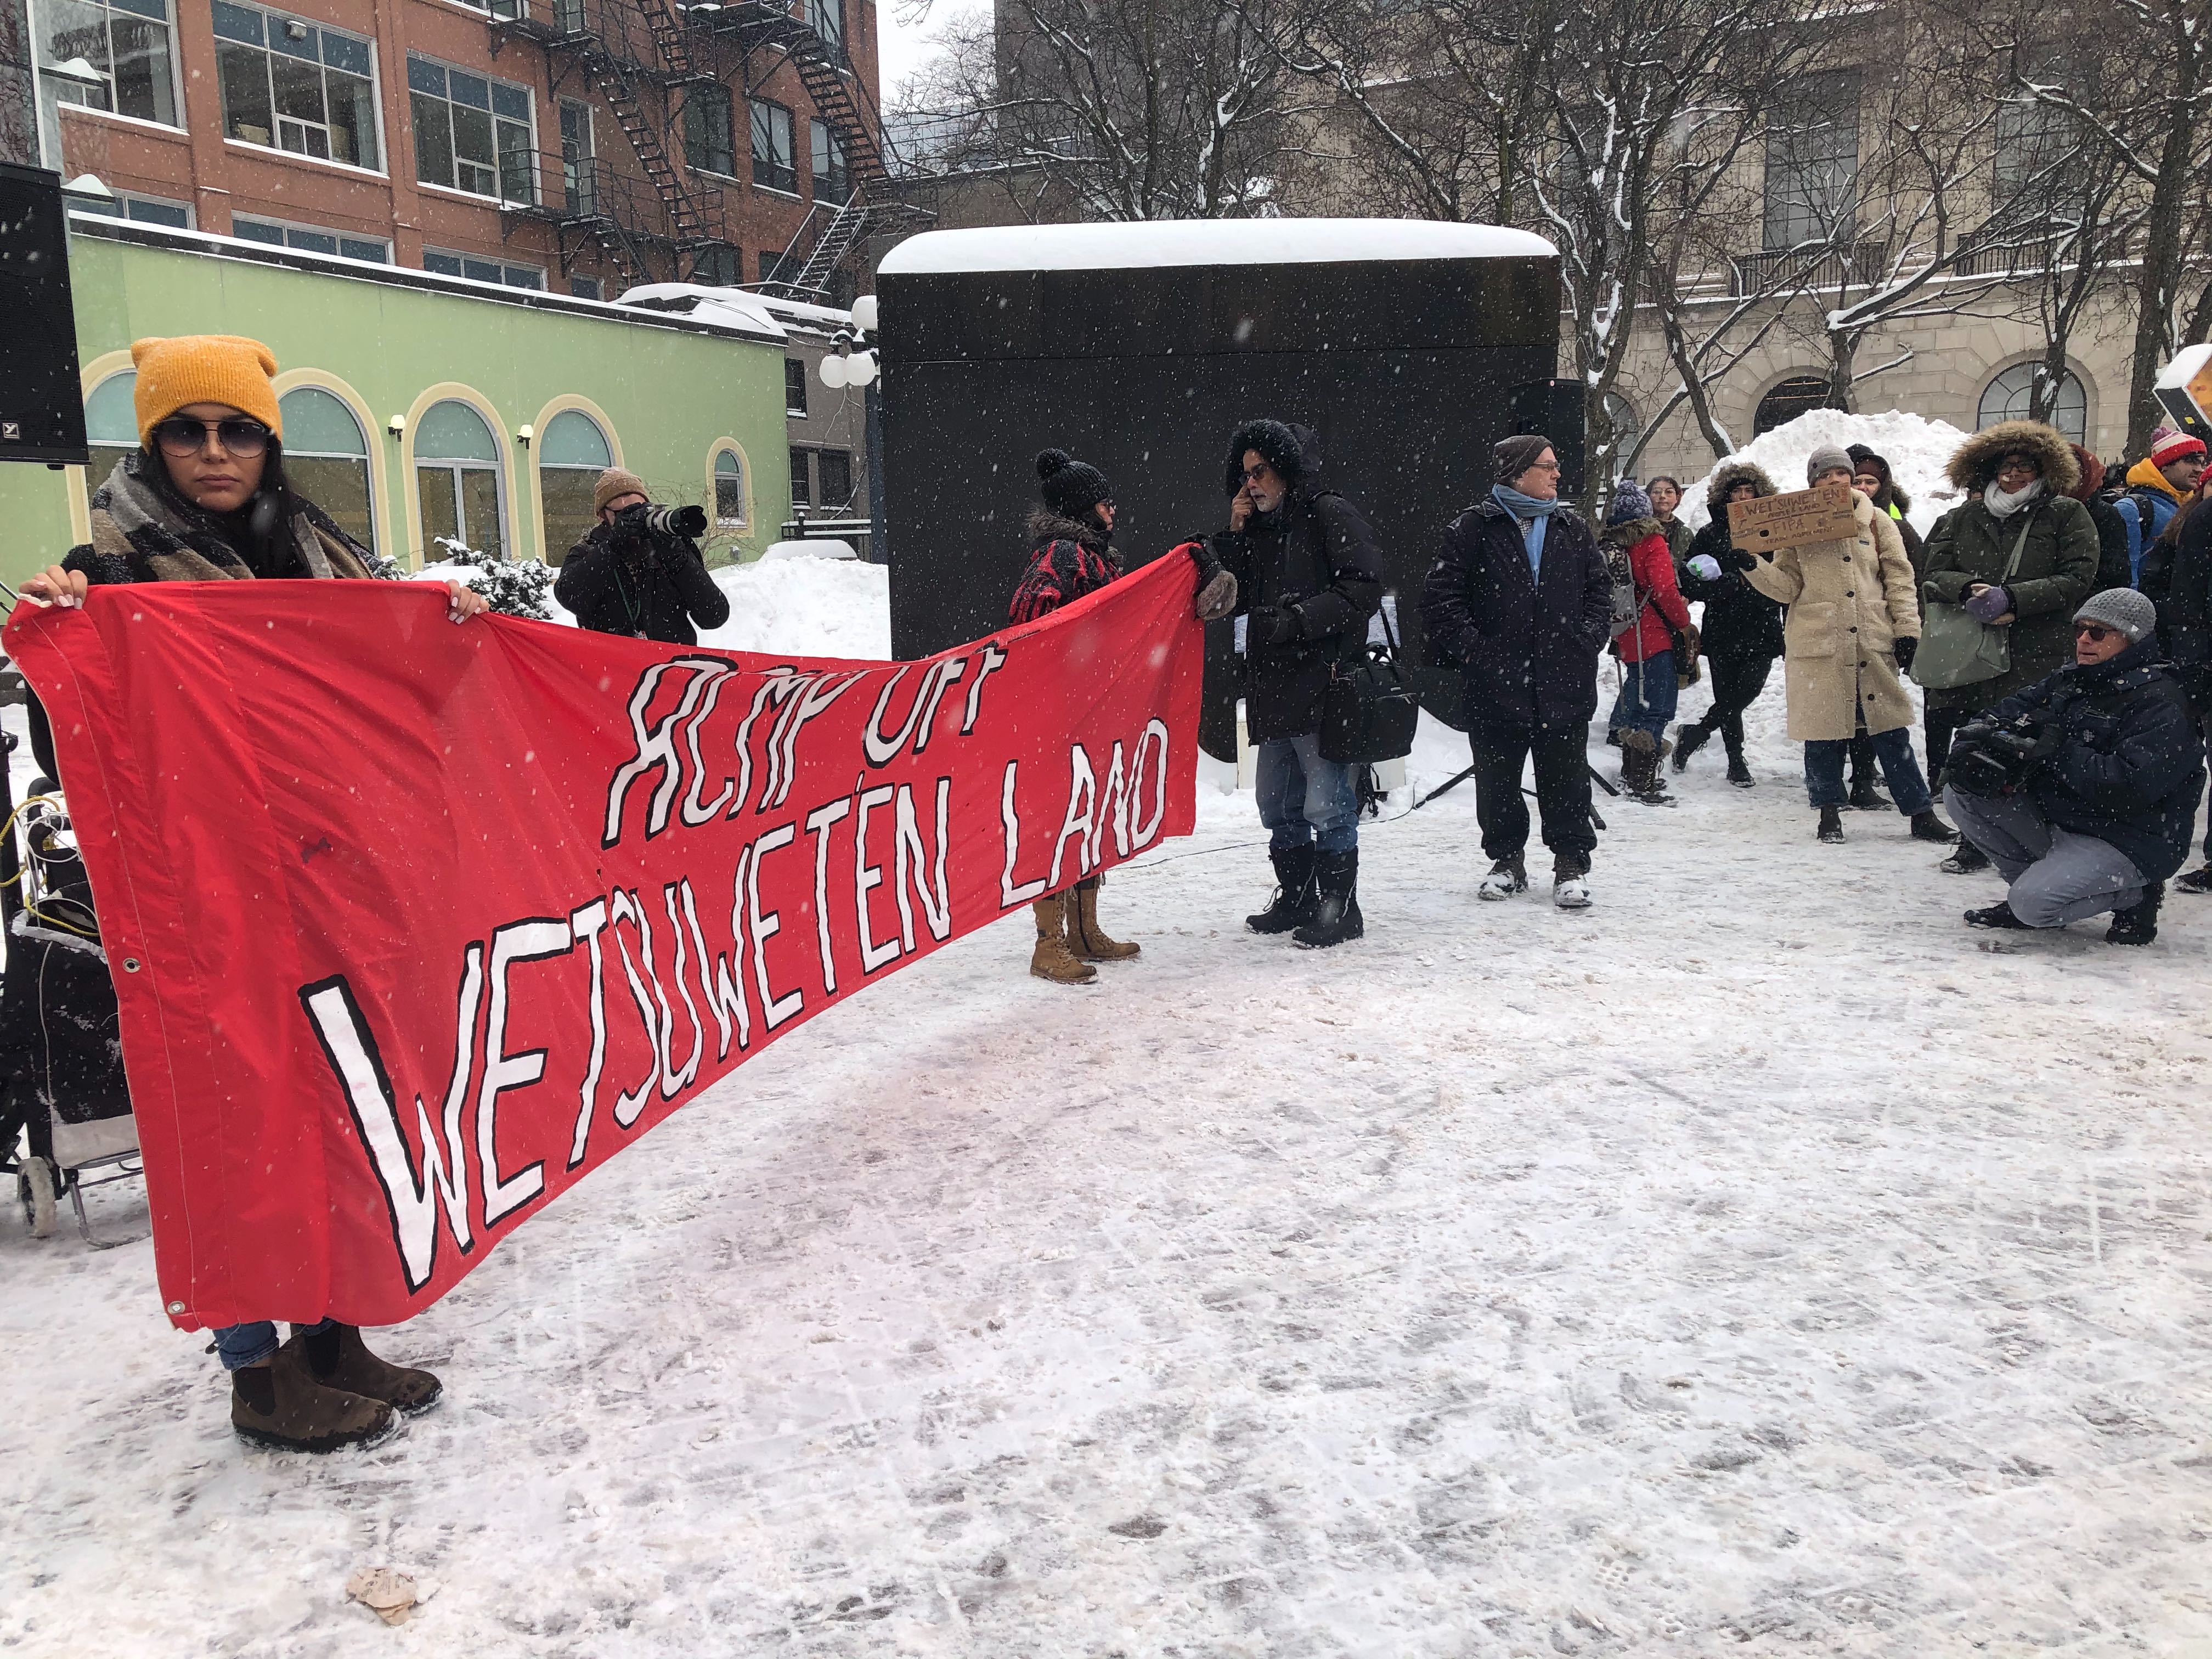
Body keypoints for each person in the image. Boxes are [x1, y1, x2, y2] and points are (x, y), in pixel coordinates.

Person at [14, 334, 489, 1454]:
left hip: (331, 886)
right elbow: (61, 738)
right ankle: (259, 1374)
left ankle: (333, 1337)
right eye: (188, 429)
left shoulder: (321, 555)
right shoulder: (115, 571)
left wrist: (453, 633)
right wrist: (67, 643)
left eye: (238, 430)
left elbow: (387, 696)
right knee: (233, 1127)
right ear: (156, 441)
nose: (214, 452)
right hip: (206, 904)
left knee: (335, 1107)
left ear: (268, 445)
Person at [1010, 447, 1237, 981]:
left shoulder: (1087, 556)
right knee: (1060, 826)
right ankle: (1049, 945)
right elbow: (1031, 625)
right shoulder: (1063, 556)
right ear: (1081, 508)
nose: (1113, 512)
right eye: (1104, 504)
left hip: (1084, 715)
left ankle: (1085, 933)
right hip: (1060, 717)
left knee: (1085, 819)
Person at [1946, 589, 2204, 945]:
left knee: (2032, 905)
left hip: (2130, 837)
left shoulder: (2161, 702)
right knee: (1964, 791)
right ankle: (2039, 891)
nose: (2084, 639)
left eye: (2098, 632)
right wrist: (1980, 739)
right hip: (2067, 817)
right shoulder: (2073, 678)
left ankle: (2135, 895)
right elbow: (2005, 712)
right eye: (2080, 629)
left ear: (2131, 639)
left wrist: (2055, 752)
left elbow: (2130, 787)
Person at [1210, 420, 1381, 947]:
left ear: (1283, 467)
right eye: (1244, 475)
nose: (1251, 484)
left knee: (1328, 804)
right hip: (1272, 686)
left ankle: (1339, 906)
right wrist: (1234, 534)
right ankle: (1298, 897)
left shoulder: (1328, 511)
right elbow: (1229, 594)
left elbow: (1363, 587)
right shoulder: (1258, 526)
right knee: (1277, 805)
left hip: (1323, 683)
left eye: (1259, 472)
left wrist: (1299, 620)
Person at [1421, 435, 1611, 909]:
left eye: (1556, 465)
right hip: (1494, 686)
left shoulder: (1572, 527)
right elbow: (1442, 600)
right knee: (1498, 780)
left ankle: (1571, 862)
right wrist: (1479, 654)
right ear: (1517, 473)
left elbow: (1600, 592)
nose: (1557, 474)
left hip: (1562, 681)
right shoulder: (1472, 527)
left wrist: (1584, 641)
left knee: (1566, 777)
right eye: (1547, 466)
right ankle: (1507, 860)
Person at [1744, 444, 1954, 846]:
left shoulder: (1876, 521)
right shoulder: (1796, 527)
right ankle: (1828, 813)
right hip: (1820, 644)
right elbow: (1787, 587)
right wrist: (1752, 565)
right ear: (1813, 483)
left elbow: (1899, 579)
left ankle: (1920, 813)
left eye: (1841, 474)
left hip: (1870, 639)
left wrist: (1908, 631)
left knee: (1891, 731)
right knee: (1823, 733)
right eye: (1825, 476)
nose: (1835, 482)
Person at [1918, 421, 2101, 872]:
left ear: (2043, 469)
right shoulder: (1961, 518)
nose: (2013, 474)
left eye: (2024, 465)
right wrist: (1966, 591)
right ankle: (1974, 839)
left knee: (2030, 747)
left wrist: (2017, 600)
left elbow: (2079, 576)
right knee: (1976, 743)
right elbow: (1932, 571)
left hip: (2036, 651)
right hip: (1973, 651)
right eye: (2005, 466)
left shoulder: (2065, 514)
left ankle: (2037, 841)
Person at [1674, 464, 1786, 788]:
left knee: (1746, 692)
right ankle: (1736, 761)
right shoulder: (1710, 534)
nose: (1742, 497)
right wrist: (1716, 588)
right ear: (1725, 496)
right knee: (1727, 695)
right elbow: (1689, 578)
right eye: (1736, 491)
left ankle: (1696, 733)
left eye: (1748, 491)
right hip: (1724, 625)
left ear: (1759, 494)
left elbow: (1789, 575)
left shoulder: (1774, 531)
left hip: (1762, 624)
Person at [554, 467, 731, 645]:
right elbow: (570, 597)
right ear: (603, 515)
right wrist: (613, 547)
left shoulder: (670, 549)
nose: (635, 519)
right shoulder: (587, 551)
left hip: (670, 667)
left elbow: (714, 615)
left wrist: (678, 559)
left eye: (640, 510)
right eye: (625, 514)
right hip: (612, 667)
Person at [1599, 478, 1694, 805]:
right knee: (1658, 706)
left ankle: (1632, 773)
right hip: (1653, 633)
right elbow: (1665, 590)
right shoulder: (1651, 542)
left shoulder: (1612, 543)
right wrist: (1683, 624)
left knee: (1639, 704)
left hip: (1626, 632)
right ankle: (1641, 781)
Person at [2116, 428, 2207, 583]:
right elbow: (2124, 577)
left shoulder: (2194, 508)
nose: (2199, 469)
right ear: (2164, 465)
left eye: (2201, 463)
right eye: (2191, 461)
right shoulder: (2132, 508)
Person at [1647, 476, 1694, 575]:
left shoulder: (1685, 534)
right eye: (1657, 492)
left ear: (1677, 498)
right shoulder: (1640, 531)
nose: (1663, 496)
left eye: (1669, 492)